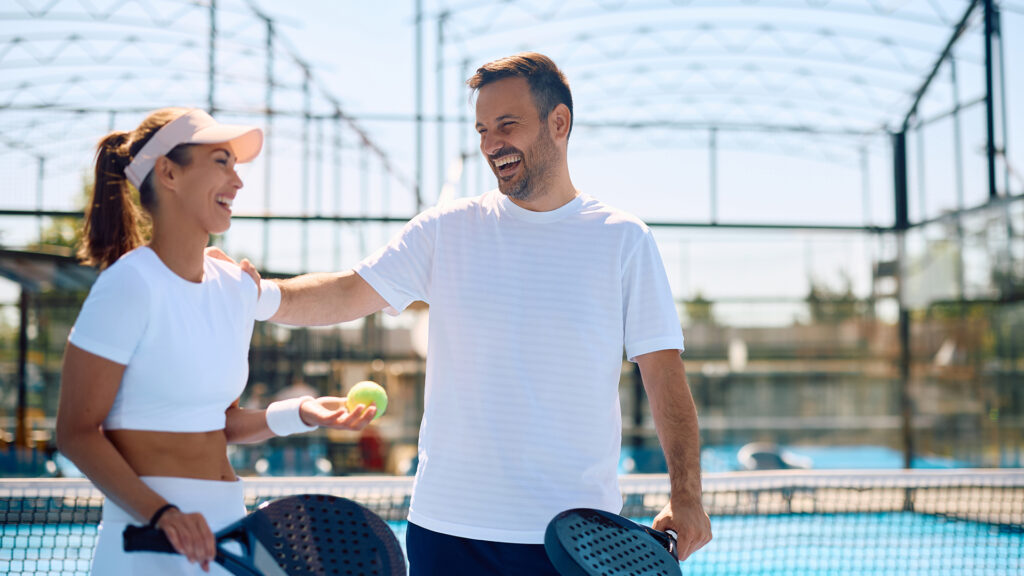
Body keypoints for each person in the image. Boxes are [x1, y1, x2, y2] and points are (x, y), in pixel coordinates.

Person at [239, 52, 712, 575]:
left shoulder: (624, 240)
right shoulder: (446, 229)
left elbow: (665, 377)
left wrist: (686, 495)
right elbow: (350, 291)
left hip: (575, 540)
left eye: (507, 125)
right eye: (483, 129)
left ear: (559, 123)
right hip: (447, 534)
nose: (491, 144)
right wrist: (256, 297)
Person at [56, 107, 377, 575]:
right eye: (221, 161)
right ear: (168, 172)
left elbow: (219, 424)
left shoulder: (234, 288)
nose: (238, 181)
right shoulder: (129, 285)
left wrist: (302, 413)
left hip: (227, 526)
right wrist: (163, 515)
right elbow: (75, 433)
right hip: (149, 539)